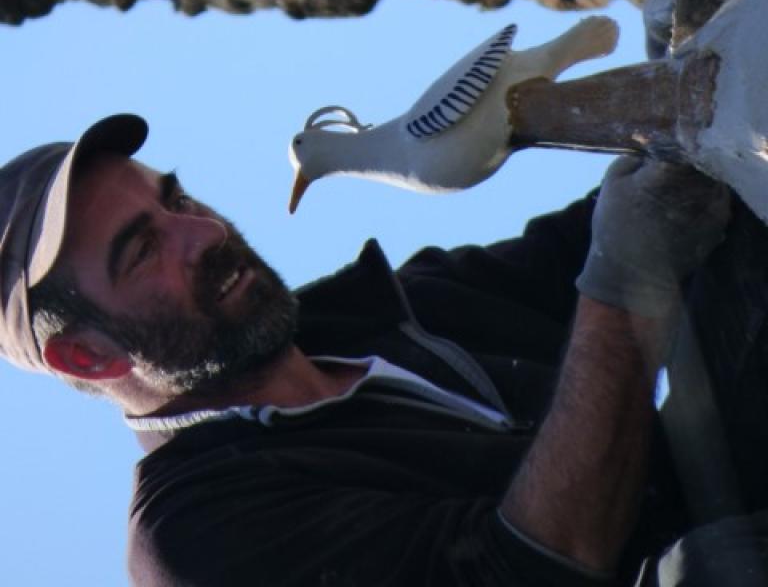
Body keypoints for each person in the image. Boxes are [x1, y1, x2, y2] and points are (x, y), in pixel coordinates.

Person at [0, 109, 738, 586]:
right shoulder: (194, 535)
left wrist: (685, 103)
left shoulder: (394, 311)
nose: (204, 233)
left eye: (178, 199)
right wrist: (624, 280)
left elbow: (635, 223)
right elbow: (536, 567)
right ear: (87, 359)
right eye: (141, 251)